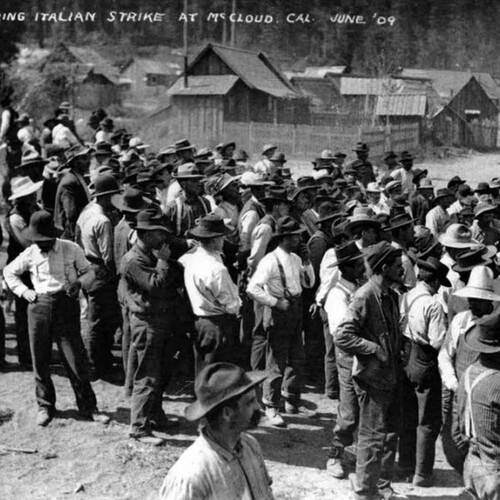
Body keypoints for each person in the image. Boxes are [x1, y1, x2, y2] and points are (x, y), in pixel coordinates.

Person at [3, 210, 109, 427]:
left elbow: (89, 272)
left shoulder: (71, 248)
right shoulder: (31, 252)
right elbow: (9, 272)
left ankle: (89, 407)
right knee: (40, 359)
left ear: (53, 235)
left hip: (65, 305)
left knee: (75, 359)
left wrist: (79, 284)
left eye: (44, 240)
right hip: (38, 306)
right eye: (37, 240)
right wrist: (25, 292)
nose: (40, 244)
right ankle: (45, 406)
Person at [336, 241, 404, 500]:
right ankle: (364, 493)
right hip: (372, 379)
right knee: (372, 438)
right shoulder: (364, 296)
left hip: (391, 375)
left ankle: (382, 488)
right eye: (397, 267)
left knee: (389, 436)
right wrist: (373, 348)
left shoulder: (391, 295)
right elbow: (342, 334)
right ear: (384, 267)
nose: (401, 270)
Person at [159, 362, 273, 499]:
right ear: (227, 413)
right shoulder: (190, 476)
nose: (258, 407)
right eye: (250, 402)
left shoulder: (251, 446)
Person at [120, 208, 182, 445]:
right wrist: (164, 262)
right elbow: (155, 285)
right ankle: (139, 427)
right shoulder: (133, 260)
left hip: (161, 321)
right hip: (147, 323)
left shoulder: (151, 255)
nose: (162, 238)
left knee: (161, 373)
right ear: (145, 234)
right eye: (158, 233)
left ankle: (155, 415)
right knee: (147, 374)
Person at [247, 216, 315, 427]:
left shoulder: (295, 258)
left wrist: (307, 261)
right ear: (285, 237)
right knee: (277, 361)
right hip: (280, 312)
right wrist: (275, 302)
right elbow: (252, 288)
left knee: (297, 357)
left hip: (296, 309)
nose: (300, 239)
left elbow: (309, 282)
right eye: (296, 236)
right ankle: (271, 405)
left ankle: (291, 400)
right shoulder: (269, 260)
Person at [438, 265, 500, 474]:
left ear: (489, 301)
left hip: (490, 394)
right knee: (455, 440)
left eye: (478, 300)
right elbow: (445, 356)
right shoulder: (460, 320)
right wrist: (454, 384)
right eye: (471, 299)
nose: (472, 304)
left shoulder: (496, 325)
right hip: (461, 392)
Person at [398, 257, 449, 487]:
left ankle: (405, 464)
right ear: (436, 282)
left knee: (408, 415)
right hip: (425, 359)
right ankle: (422, 473)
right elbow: (437, 340)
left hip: (407, 356)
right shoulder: (433, 304)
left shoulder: (407, 296)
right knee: (428, 420)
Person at [179, 214, 242, 375]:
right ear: (214, 239)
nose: (223, 241)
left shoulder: (189, 259)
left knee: (203, 370)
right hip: (218, 324)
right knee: (220, 373)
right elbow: (231, 304)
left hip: (199, 321)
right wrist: (239, 301)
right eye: (222, 237)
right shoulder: (216, 268)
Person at [325, 241, 365, 479]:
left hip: (364, 355)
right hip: (349, 356)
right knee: (349, 409)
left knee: (366, 408)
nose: (363, 268)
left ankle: (361, 454)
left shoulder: (358, 289)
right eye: (359, 264)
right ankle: (335, 455)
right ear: (348, 268)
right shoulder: (337, 295)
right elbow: (342, 334)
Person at [76, 174, 121, 380]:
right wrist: (114, 276)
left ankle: (98, 361)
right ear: (107, 196)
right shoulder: (103, 220)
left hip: (86, 266)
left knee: (96, 318)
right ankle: (96, 365)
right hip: (100, 271)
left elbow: (76, 237)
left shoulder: (87, 212)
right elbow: (108, 256)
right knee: (100, 321)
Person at [457, 311, 500, 500]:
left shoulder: (468, 373)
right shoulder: (497, 381)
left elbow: (459, 423)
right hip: (495, 470)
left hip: (472, 463)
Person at [5, 176, 44, 367]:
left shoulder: (33, 209)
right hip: (22, 268)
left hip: (33, 266)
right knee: (23, 312)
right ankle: (26, 355)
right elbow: (27, 243)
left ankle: (36, 352)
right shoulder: (16, 218)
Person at [54, 144, 92, 241]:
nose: (88, 161)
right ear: (75, 162)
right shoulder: (69, 183)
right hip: (70, 234)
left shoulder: (78, 178)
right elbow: (71, 214)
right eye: (84, 158)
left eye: (88, 158)